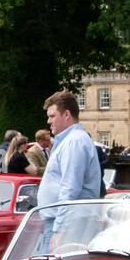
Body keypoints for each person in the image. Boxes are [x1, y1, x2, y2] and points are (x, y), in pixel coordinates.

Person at [36, 89, 101, 249]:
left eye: (52, 116)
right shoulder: (71, 140)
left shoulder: (74, 142)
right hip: (65, 221)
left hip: (68, 224)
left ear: (66, 115)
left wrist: (59, 229)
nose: (49, 121)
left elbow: (70, 189)